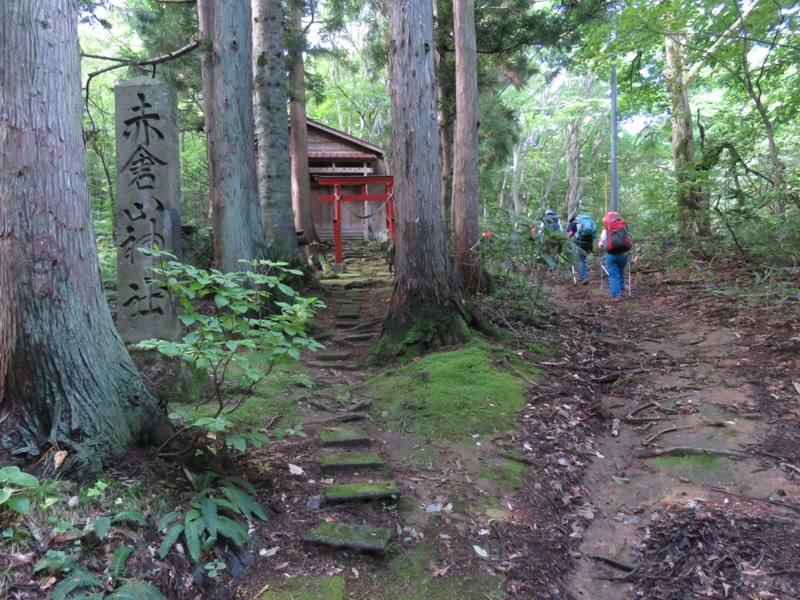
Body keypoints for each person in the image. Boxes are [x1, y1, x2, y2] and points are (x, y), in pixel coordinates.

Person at [597, 211, 632, 302]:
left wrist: (602, 245)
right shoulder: (624, 228)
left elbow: (601, 244)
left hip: (611, 254)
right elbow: (629, 240)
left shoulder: (606, 230)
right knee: (620, 271)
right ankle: (620, 290)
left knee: (613, 275)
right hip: (623, 254)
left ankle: (616, 295)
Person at [567, 213, 594, 284]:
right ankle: (584, 275)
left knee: (579, 260)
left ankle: (584, 277)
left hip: (579, 243)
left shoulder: (573, 223)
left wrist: (568, 241)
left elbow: (570, 234)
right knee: (582, 259)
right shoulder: (589, 222)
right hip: (588, 242)